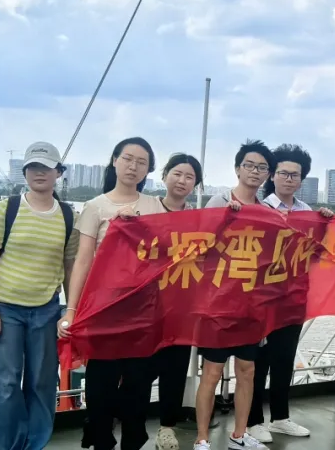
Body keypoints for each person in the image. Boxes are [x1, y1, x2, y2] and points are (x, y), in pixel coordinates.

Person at [58, 137, 165, 450]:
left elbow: (167, 249)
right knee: (101, 381)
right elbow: (83, 261)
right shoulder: (96, 207)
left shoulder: (154, 206)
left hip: (142, 308)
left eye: (141, 162)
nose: (133, 166)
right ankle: (101, 439)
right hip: (104, 307)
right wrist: (71, 310)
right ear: (115, 161)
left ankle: (133, 440)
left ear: (148, 170)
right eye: (127, 158)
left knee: (138, 381)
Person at [0, 142, 77, 450]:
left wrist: (70, 309)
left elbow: (70, 266)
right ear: (24, 172)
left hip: (47, 310)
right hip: (6, 310)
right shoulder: (5, 210)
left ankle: (35, 444)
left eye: (46, 167)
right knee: (6, 384)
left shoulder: (67, 216)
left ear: (58, 173)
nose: (39, 173)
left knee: (41, 383)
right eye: (33, 167)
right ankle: (8, 446)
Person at [249, 144, 331, 443]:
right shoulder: (259, 208)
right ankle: (253, 420)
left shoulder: (308, 213)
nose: (288, 179)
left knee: (284, 358)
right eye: (283, 173)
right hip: (261, 297)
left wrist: (324, 225)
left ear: (301, 180)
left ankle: (280, 417)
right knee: (258, 361)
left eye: (295, 175)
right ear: (272, 176)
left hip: (293, 297)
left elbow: (316, 254)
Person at [198, 140, 276, 450]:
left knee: (247, 370)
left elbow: (275, 255)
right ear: (237, 169)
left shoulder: (267, 212)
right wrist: (223, 220)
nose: (255, 172)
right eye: (249, 165)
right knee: (212, 372)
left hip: (251, 305)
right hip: (217, 304)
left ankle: (239, 435)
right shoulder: (218, 201)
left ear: (267, 174)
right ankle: (202, 439)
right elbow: (200, 245)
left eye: (262, 168)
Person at [152, 153, 203, 450]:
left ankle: (166, 427)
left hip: (182, 305)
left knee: (175, 369)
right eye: (177, 174)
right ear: (165, 176)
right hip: (147, 305)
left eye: (189, 177)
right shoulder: (146, 209)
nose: (182, 181)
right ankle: (131, 425)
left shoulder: (200, 219)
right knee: (139, 369)